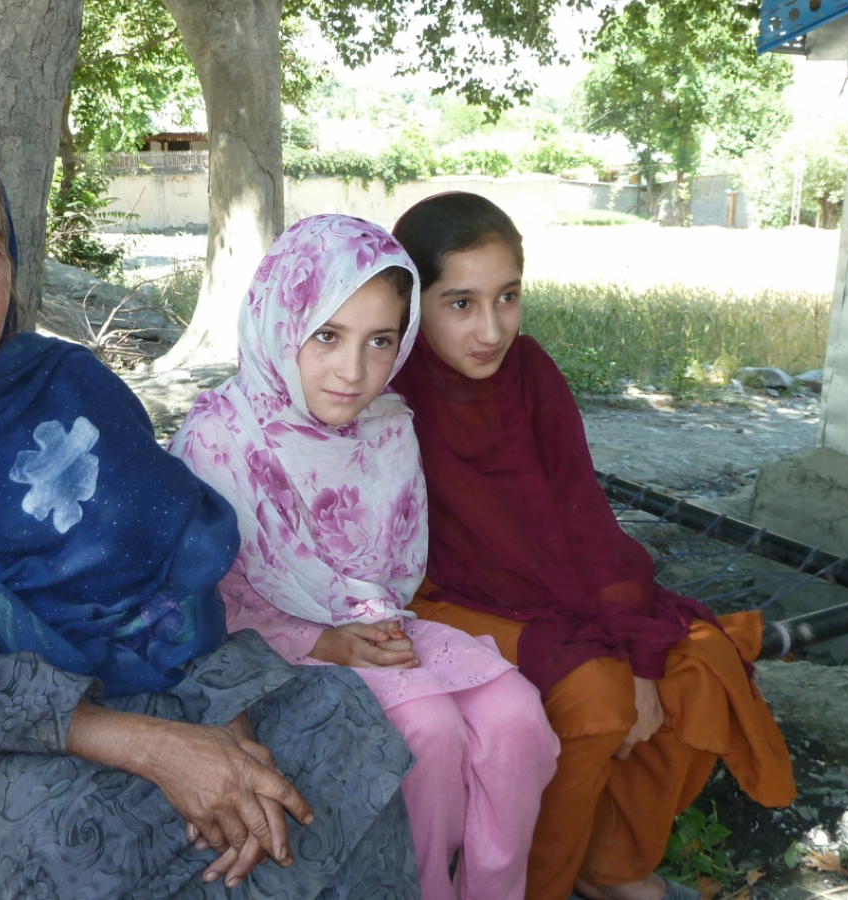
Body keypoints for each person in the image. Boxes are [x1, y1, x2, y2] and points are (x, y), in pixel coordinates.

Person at [0, 138, 422, 900]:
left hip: (143, 667)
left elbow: (169, 563)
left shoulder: (69, 385)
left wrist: (221, 712)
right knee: (82, 832)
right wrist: (160, 748)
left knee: (331, 723)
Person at [389, 192, 797, 900]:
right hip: (441, 601)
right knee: (599, 697)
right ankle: (534, 885)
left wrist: (631, 644)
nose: (492, 328)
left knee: (691, 662)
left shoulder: (531, 370)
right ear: (414, 303)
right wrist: (609, 657)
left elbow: (581, 514)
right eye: (460, 303)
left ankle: (601, 864)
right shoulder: (392, 390)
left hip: (546, 585)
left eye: (508, 297)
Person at [170, 214, 560, 900]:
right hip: (273, 649)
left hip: (378, 626)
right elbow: (204, 604)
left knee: (516, 713)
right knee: (428, 729)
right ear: (280, 321)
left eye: (381, 342)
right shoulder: (219, 441)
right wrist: (326, 637)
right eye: (327, 336)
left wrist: (372, 624)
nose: (354, 372)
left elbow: (394, 569)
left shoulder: (387, 425)